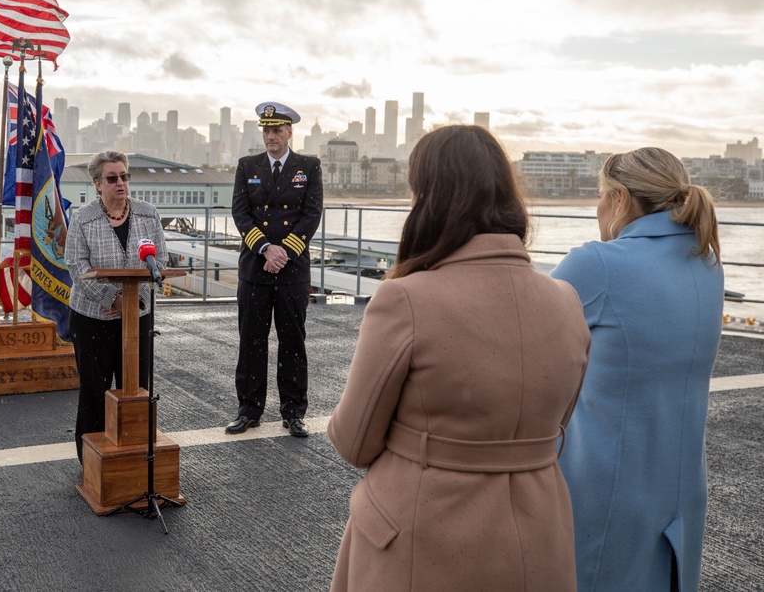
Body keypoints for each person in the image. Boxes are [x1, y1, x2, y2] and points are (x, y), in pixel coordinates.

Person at [327, 125, 591, 591]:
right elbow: (557, 421)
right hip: (538, 535)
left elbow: (354, 442)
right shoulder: (566, 300)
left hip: (423, 537)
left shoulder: (404, 300)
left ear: (429, 198)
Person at [551, 147, 724, 591]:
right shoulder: (707, 262)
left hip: (601, 491)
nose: (598, 208)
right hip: (680, 489)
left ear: (621, 199)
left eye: (600, 195)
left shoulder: (597, 264)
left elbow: (523, 344)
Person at [225, 102, 323, 437]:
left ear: (289, 132)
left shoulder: (308, 166)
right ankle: (248, 411)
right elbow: (240, 213)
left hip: (292, 270)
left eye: (277, 130)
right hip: (256, 267)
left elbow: (311, 215)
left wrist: (284, 252)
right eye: (266, 131)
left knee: (293, 342)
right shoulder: (247, 165)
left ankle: (294, 412)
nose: (271, 136)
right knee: (251, 341)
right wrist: (266, 249)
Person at [64, 151, 167, 462]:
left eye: (124, 176)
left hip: (138, 317)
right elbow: (75, 266)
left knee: (135, 390)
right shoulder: (83, 218)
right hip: (93, 318)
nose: (120, 182)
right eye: (112, 178)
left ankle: (134, 459)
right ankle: (92, 464)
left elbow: (159, 262)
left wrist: (134, 302)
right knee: (94, 393)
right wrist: (113, 298)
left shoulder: (149, 214)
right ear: (97, 184)